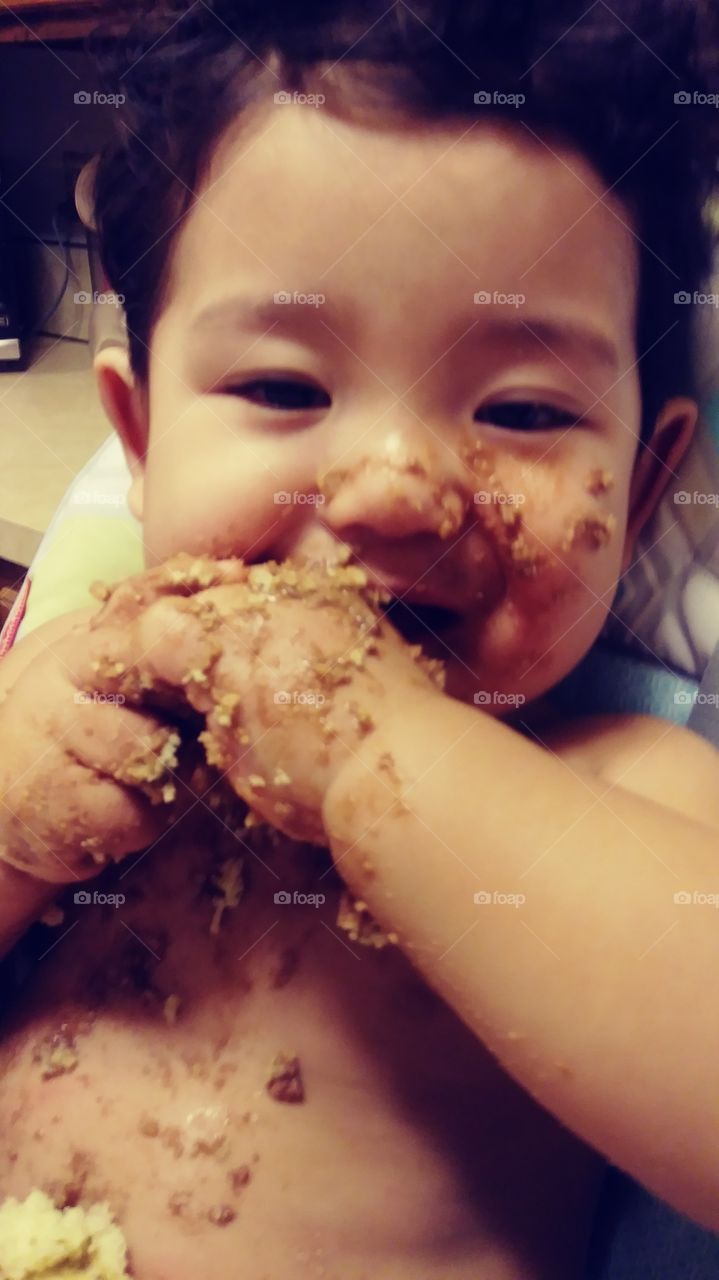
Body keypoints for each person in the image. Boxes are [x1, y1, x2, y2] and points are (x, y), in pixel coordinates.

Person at [0, 1, 718, 1275]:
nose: (390, 488)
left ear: (647, 484)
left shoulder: (615, 787)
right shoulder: (70, 710)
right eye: (283, 387)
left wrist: (381, 758)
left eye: (523, 407)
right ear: (143, 435)